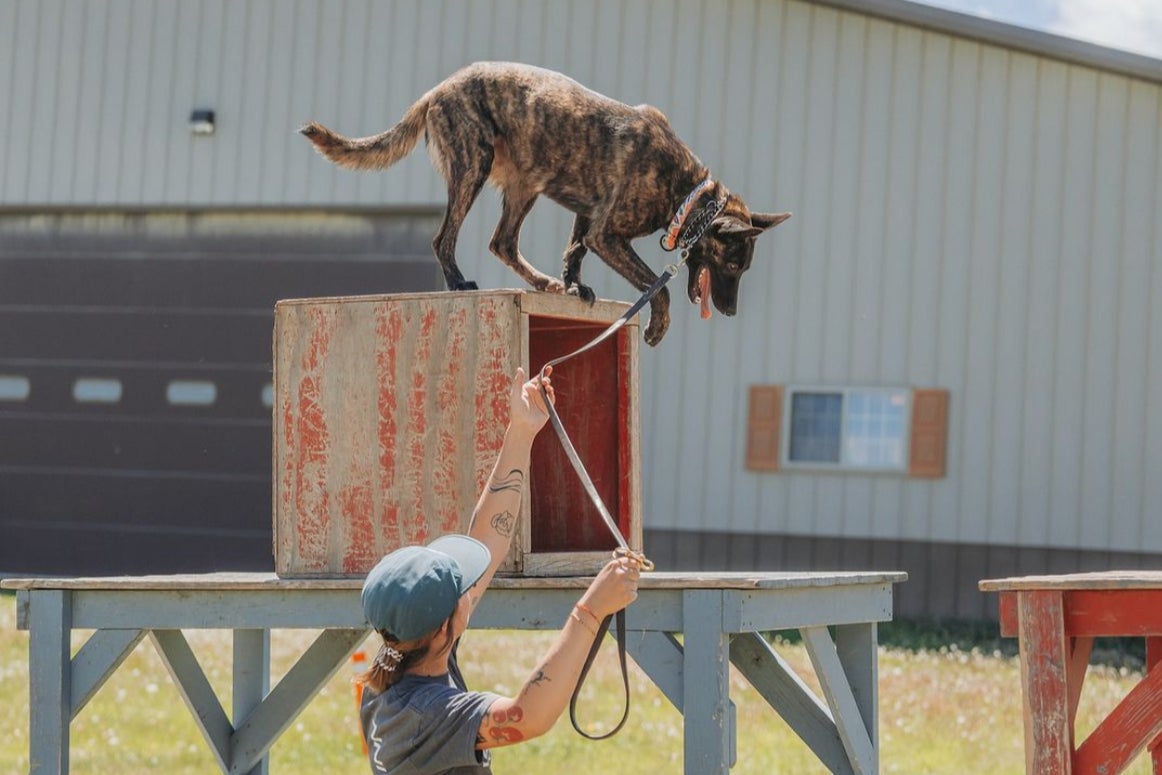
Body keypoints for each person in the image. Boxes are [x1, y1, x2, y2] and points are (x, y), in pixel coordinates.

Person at [357, 366, 642, 774]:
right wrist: (592, 610)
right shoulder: (429, 712)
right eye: (462, 591)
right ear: (444, 627)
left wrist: (522, 430)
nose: (471, 588)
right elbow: (527, 716)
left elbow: (488, 538)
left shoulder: (399, 664)